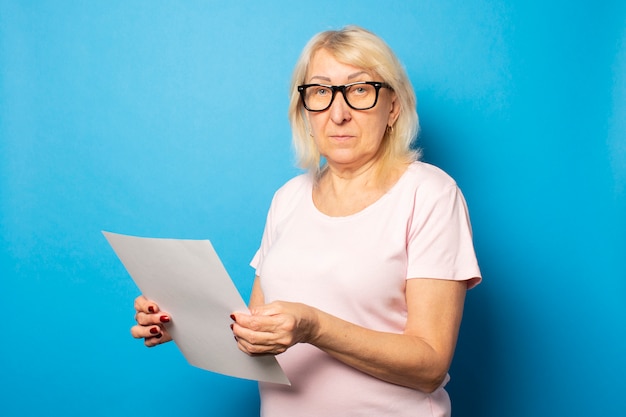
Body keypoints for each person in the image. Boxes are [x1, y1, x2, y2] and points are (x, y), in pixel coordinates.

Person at [131, 25, 481, 417]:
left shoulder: (430, 193)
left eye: (360, 90)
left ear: (393, 107)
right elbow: (257, 336)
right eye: (320, 92)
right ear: (305, 110)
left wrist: (313, 327)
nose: (339, 113)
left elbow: (430, 366)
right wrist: (179, 319)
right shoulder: (288, 198)